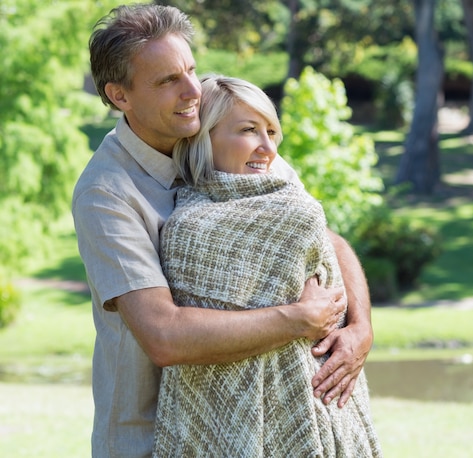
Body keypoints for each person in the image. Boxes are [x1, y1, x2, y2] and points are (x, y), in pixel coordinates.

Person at [72, 4, 374, 457]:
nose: (192, 90)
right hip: (151, 438)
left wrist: (360, 328)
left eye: (190, 69)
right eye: (167, 80)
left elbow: (320, 236)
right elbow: (164, 335)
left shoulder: (228, 133)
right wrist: (298, 320)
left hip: (254, 432)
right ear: (119, 96)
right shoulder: (106, 193)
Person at [152, 75, 382, 457]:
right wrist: (297, 317)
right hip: (216, 423)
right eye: (248, 130)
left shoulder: (288, 197)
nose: (268, 149)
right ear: (202, 138)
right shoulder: (185, 227)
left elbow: (330, 241)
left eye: (272, 132)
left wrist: (361, 326)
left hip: (317, 403)